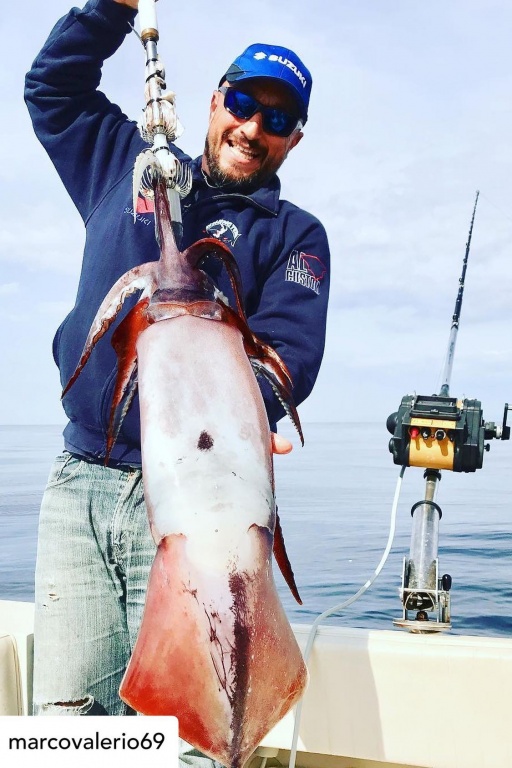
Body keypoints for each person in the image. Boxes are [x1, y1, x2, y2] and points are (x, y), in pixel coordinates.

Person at [25, 0, 330, 756]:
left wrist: (240, 416)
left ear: (293, 139)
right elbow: (52, 90)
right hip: (79, 487)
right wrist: (111, 11)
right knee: (68, 732)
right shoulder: (119, 164)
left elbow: (289, 359)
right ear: (215, 99)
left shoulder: (295, 237)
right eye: (243, 103)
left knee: (187, 740)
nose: (253, 128)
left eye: (277, 119)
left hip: (204, 502)